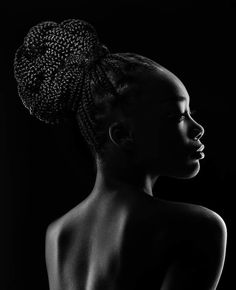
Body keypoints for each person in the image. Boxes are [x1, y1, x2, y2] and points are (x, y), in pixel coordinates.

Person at [14, 19, 227, 290]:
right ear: (123, 135)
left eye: (190, 115)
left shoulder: (58, 234)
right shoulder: (196, 228)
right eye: (176, 116)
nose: (197, 129)